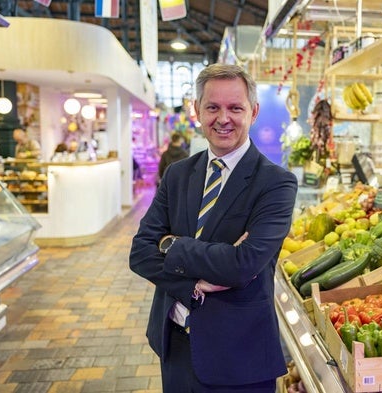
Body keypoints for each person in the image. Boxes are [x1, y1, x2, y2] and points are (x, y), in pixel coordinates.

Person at [129, 64, 298, 393]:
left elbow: (242, 264)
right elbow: (139, 252)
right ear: (196, 110)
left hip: (240, 358)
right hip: (175, 347)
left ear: (254, 111)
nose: (224, 118)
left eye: (235, 108)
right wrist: (194, 283)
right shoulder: (178, 174)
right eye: (213, 107)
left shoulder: (276, 184)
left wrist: (169, 244)